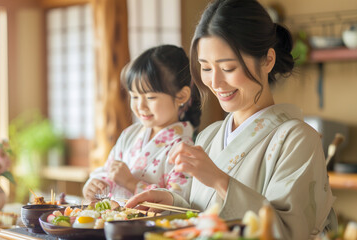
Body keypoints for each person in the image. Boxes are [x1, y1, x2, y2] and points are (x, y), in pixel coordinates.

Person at [125, 0, 337, 239]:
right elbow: (204, 214)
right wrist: (170, 202)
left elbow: (290, 232)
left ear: (268, 60)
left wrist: (219, 180)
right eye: (205, 68)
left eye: (227, 68)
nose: (215, 82)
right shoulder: (209, 136)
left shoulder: (298, 139)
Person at [83, 45, 202, 202]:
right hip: (115, 221)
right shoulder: (130, 135)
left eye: (150, 97)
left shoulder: (184, 147)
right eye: (135, 96)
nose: (140, 106)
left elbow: (180, 201)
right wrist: (96, 185)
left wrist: (131, 183)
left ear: (181, 96)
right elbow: (109, 171)